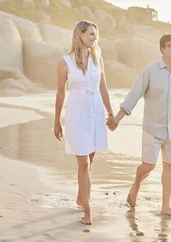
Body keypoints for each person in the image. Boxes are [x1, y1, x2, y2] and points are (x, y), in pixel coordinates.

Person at [114, 32, 171, 218]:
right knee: (148, 166)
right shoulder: (150, 71)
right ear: (162, 49)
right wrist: (118, 118)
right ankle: (136, 186)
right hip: (152, 127)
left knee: (170, 166)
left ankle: (166, 206)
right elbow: (134, 95)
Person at [53, 20, 117, 225]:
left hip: (96, 110)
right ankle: (87, 209)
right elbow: (60, 94)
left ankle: (81, 197)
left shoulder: (98, 59)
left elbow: (104, 87)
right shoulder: (65, 62)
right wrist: (56, 121)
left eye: (95, 35)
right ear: (79, 35)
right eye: (90, 34)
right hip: (77, 111)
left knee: (90, 159)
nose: (94, 38)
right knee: (83, 162)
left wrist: (110, 113)